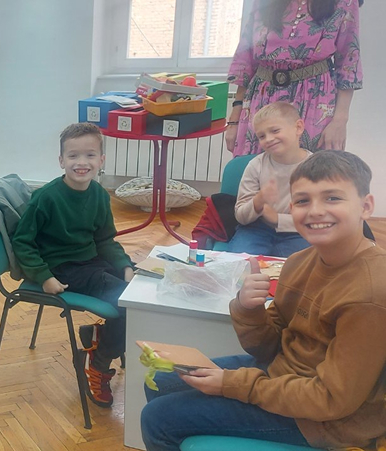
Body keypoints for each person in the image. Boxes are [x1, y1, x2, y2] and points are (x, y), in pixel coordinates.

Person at [141, 151, 386, 451]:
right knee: (163, 380)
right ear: (291, 208)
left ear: (366, 206)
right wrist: (249, 308)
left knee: (158, 419)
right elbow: (269, 348)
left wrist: (232, 385)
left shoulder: (370, 293)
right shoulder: (299, 262)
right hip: (285, 374)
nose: (315, 211)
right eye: (303, 201)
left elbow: (332, 400)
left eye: (332, 198)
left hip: (326, 421)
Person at [10, 122, 133, 408]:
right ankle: (97, 362)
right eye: (73, 156)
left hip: (92, 261)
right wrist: (43, 276)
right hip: (63, 268)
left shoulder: (99, 194)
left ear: (101, 160)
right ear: (61, 160)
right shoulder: (46, 197)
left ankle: (97, 335)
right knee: (129, 304)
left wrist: (124, 265)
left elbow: (104, 239)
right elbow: (22, 242)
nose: (81, 162)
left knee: (142, 290)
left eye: (90, 155)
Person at [226, 0, 363, 156]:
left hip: (313, 101)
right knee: (254, 166)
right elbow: (245, 59)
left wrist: (340, 121)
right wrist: (234, 120)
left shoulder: (344, 2)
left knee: (308, 167)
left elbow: (348, 62)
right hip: (261, 99)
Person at [228, 102, 312, 257]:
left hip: (298, 231)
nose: (268, 139)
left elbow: (318, 218)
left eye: (275, 131)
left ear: (298, 127)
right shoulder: (256, 166)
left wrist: (278, 219)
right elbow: (241, 217)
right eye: (261, 136)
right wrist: (258, 201)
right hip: (256, 229)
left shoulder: (316, 168)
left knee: (298, 266)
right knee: (241, 263)